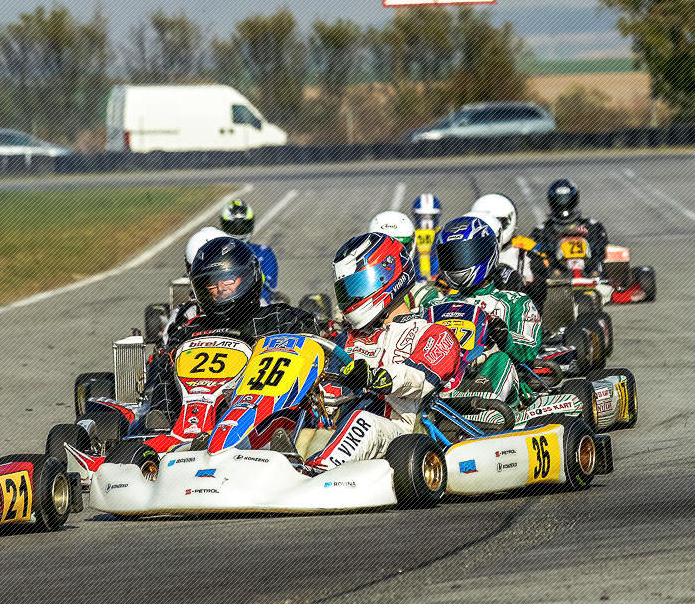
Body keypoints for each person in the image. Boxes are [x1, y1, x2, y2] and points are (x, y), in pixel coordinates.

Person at [286, 232, 463, 473]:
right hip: (340, 431)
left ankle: (316, 472)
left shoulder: (433, 334)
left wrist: (376, 377)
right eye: (345, 291)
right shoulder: (346, 339)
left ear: (387, 277)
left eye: (357, 287)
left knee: (363, 420)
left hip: (402, 436)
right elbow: (328, 392)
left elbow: (419, 378)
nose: (351, 298)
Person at [140, 237, 320, 431]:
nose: (220, 289)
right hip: (193, 420)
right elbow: (162, 379)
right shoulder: (190, 330)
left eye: (228, 280)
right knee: (165, 371)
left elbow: (311, 360)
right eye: (210, 284)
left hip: (262, 421)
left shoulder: (280, 319)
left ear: (248, 277)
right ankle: (158, 430)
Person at [415, 216, 543, 402]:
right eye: (452, 257)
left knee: (499, 359)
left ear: (487, 252)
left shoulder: (514, 301)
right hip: (442, 375)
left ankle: (482, 405)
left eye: (465, 255)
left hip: (488, 376)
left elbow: (529, 350)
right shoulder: (437, 305)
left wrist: (504, 336)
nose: (458, 262)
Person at [470, 192, 549, 303]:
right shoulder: (466, 251)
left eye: (495, 223)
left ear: (507, 222)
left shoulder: (526, 253)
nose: (488, 230)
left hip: (513, 308)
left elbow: (539, 291)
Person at [530, 178, 608, 271]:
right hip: (555, 273)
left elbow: (604, 247)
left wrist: (595, 247)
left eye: (566, 198)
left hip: (590, 272)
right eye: (559, 198)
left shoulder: (592, 226)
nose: (563, 202)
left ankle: (598, 274)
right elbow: (533, 252)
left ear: (574, 198)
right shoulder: (542, 230)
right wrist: (546, 249)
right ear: (552, 200)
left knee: (606, 257)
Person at [219, 197, 279, 299]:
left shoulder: (264, 253)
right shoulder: (215, 252)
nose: (238, 231)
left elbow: (270, 285)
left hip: (257, 301)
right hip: (222, 301)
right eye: (233, 227)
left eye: (243, 226)